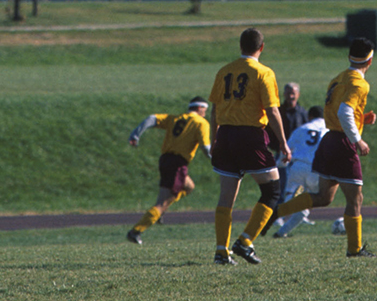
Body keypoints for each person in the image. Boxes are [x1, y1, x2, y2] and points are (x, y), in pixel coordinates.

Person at [272, 37, 377, 258]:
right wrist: (358, 139)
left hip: (328, 141)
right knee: (355, 198)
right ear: (370, 60)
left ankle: (278, 212)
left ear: (349, 56)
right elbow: (344, 113)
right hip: (343, 144)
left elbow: (338, 112)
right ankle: (354, 249)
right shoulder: (360, 83)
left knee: (324, 197)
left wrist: (362, 119)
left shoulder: (338, 79)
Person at [209, 28, 292, 265]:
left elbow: (215, 109)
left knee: (226, 198)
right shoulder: (263, 72)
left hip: (225, 135)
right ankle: (245, 242)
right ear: (262, 47)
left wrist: (214, 139)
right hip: (249, 136)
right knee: (272, 190)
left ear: (240, 46)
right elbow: (272, 110)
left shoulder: (224, 70)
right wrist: (284, 143)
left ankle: (221, 251)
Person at [125, 96, 212, 244]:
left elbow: (152, 118)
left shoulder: (176, 118)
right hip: (177, 164)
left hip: (166, 160)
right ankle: (136, 231)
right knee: (162, 202)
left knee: (189, 186)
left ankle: (159, 213)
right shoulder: (201, 123)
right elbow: (206, 147)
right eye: (205, 110)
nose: (205, 113)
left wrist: (136, 133)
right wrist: (217, 161)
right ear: (199, 109)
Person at [271, 105, 325, 238]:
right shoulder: (328, 130)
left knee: (291, 199)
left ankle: (274, 221)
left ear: (310, 117)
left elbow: (287, 150)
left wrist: (279, 165)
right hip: (317, 170)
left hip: (298, 168)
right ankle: (281, 231)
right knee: (306, 206)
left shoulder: (302, 129)